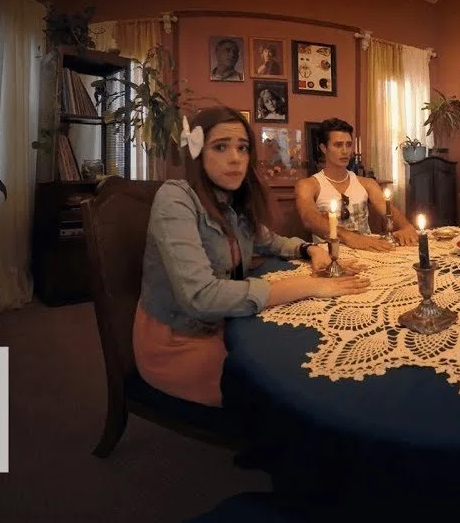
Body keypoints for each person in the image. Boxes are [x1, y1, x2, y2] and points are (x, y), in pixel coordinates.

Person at [134, 106, 367, 407]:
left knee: (307, 352)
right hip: (178, 338)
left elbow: (271, 242)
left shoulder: (232, 202)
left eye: (243, 148)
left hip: (224, 321)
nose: (235, 158)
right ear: (197, 153)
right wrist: (309, 285)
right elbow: (201, 297)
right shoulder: (176, 198)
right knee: (286, 384)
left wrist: (310, 250)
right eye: (221, 147)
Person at [295, 117, 419, 251]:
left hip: (367, 249)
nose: (345, 151)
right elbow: (309, 218)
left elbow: (388, 209)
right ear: (324, 148)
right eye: (338, 145)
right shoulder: (308, 185)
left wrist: (406, 226)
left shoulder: (367, 183)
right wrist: (349, 237)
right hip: (330, 254)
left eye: (348, 145)